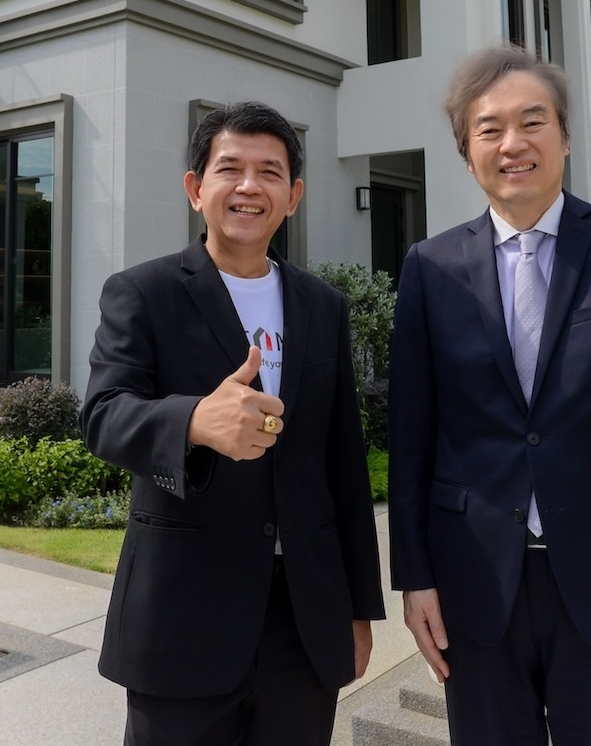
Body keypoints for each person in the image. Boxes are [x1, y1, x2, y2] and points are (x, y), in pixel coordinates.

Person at [387, 46, 591, 745]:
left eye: (532, 122)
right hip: (476, 582)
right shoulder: (430, 267)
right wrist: (415, 578)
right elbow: (411, 437)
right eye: (489, 129)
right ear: (467, 152)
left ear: (564, 137)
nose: (513, 143)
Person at [80, 101, 385, 746]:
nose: (250, 186)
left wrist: (360, 609)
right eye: (230, 169)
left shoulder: (322, 306)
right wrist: (193, 420)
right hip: (184, 619)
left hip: (303, 620)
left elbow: (344, 464)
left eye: (270, 172)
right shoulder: (143, 293)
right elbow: (103, 415)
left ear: (293, 196)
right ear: (196, 188)